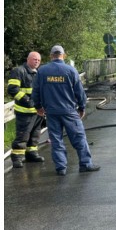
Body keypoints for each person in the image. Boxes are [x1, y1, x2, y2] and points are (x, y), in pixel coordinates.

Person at [32, 45, 99, 176]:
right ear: (63, 55)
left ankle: (61, 167)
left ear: (51, 56)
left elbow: (36, 92)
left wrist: (38, 107)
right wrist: (82, 107)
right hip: (69, 111)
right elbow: (80, 92)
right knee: (79, 138)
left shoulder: (42, 71)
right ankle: (85, 164)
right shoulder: (71, 70)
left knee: (56, 140)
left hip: (51, 112)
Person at [7, 51, 46, 168]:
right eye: (35, 59)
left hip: (37, 112)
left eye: (39, 60)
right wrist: (29, 102)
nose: (37, 62)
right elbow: (13, 89)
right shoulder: (18, 71)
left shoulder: (38, 73)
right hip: (24, 111)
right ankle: (17, 157)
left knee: (35, 135)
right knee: (23, 135)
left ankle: (31, 153)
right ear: (28, 59)